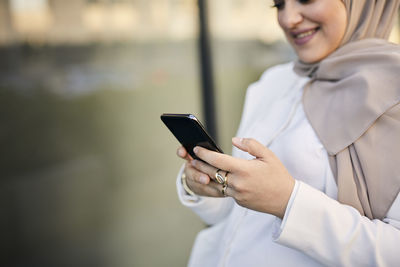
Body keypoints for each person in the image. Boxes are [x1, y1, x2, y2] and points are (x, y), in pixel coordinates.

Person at [176, 0, 400, 266]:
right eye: (279, 5)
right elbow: (235, 216)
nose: (288, 19)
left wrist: (287, 202)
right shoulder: (274, 81)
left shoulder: (394, 92)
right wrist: (206, 184)